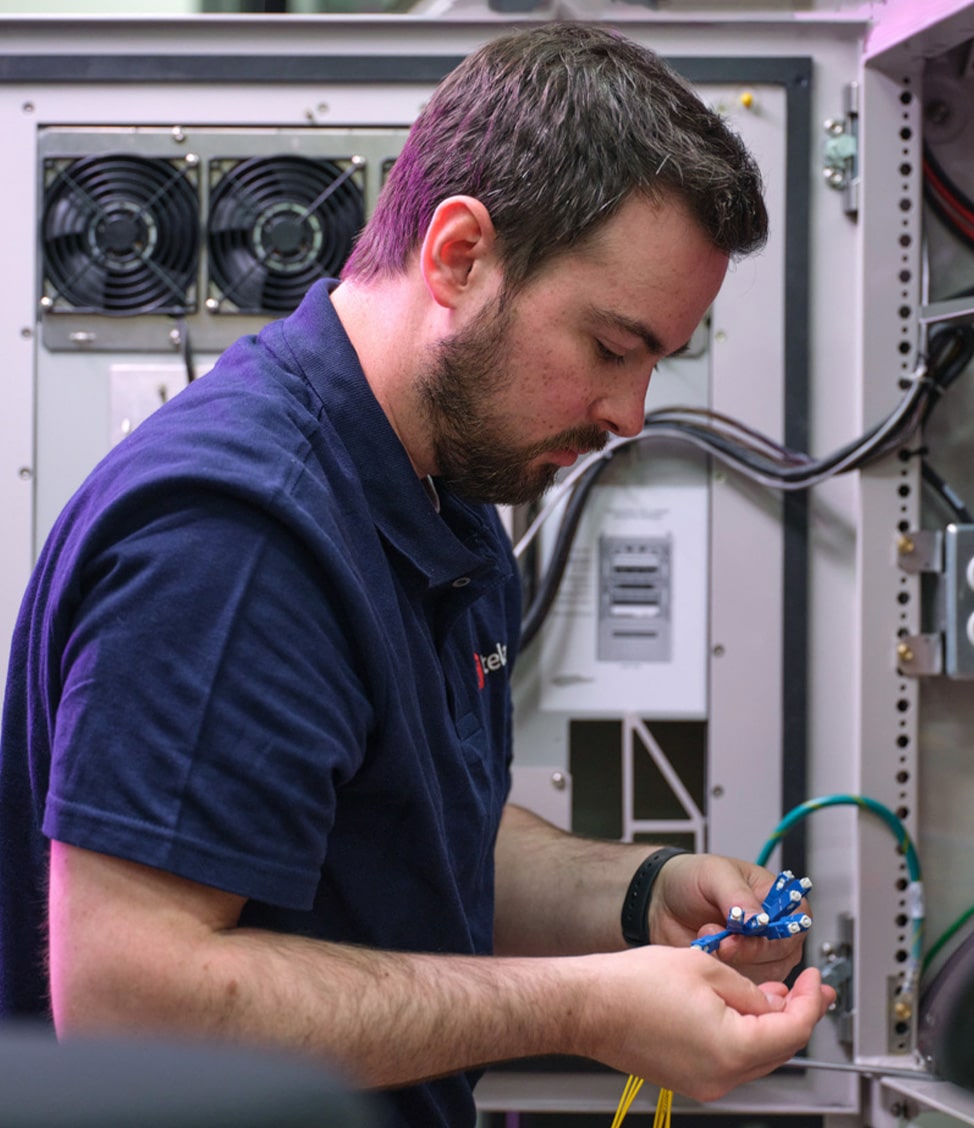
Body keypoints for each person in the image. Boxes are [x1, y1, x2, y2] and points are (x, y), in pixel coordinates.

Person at [0, 21, 834, 1128]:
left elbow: (412, 825)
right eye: (610, 347)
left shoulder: (435, 485)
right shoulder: (241, 539)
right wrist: (582, 1007)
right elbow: (128, 1002)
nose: (627, 416)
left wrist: (635, 898)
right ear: (457, 257)